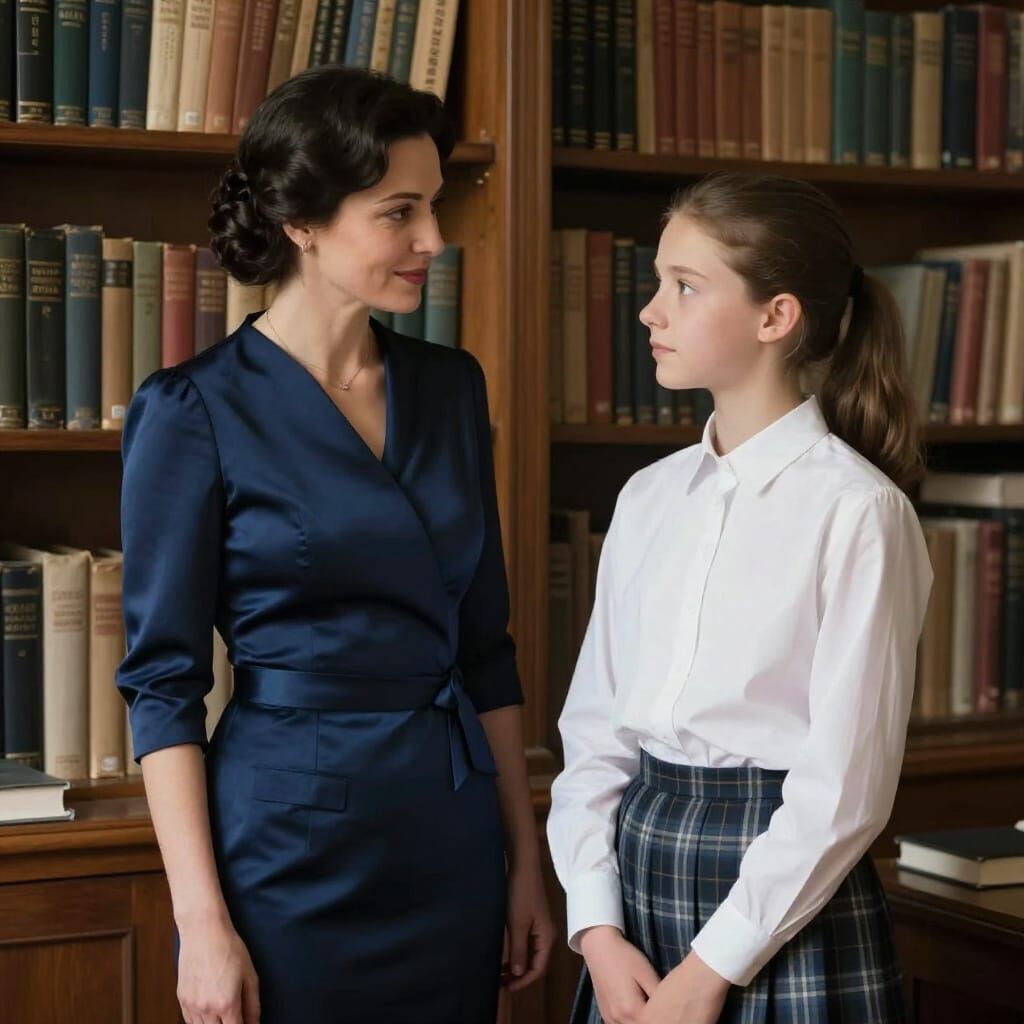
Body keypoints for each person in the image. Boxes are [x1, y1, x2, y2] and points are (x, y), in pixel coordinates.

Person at [116, 65, 554, 1024]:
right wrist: (202, 922)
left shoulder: (451, 388)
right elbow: (163, 685)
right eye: (400, 213)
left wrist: (526, 862)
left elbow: (487, 648)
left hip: (451, 836)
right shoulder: (191, 410)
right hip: (287, 854)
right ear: (303, 221)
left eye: (434, 207)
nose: (434, 240)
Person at [547, 172, 933, 1024]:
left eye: (684, 287)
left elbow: (845, 790)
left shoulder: (859, 514)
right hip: (635, 891)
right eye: (657, 283)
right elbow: (594, 735)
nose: (651, 310)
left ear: (776, 317)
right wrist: (596, 929)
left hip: (778, 910)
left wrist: (708, 972)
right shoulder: (649, 497)